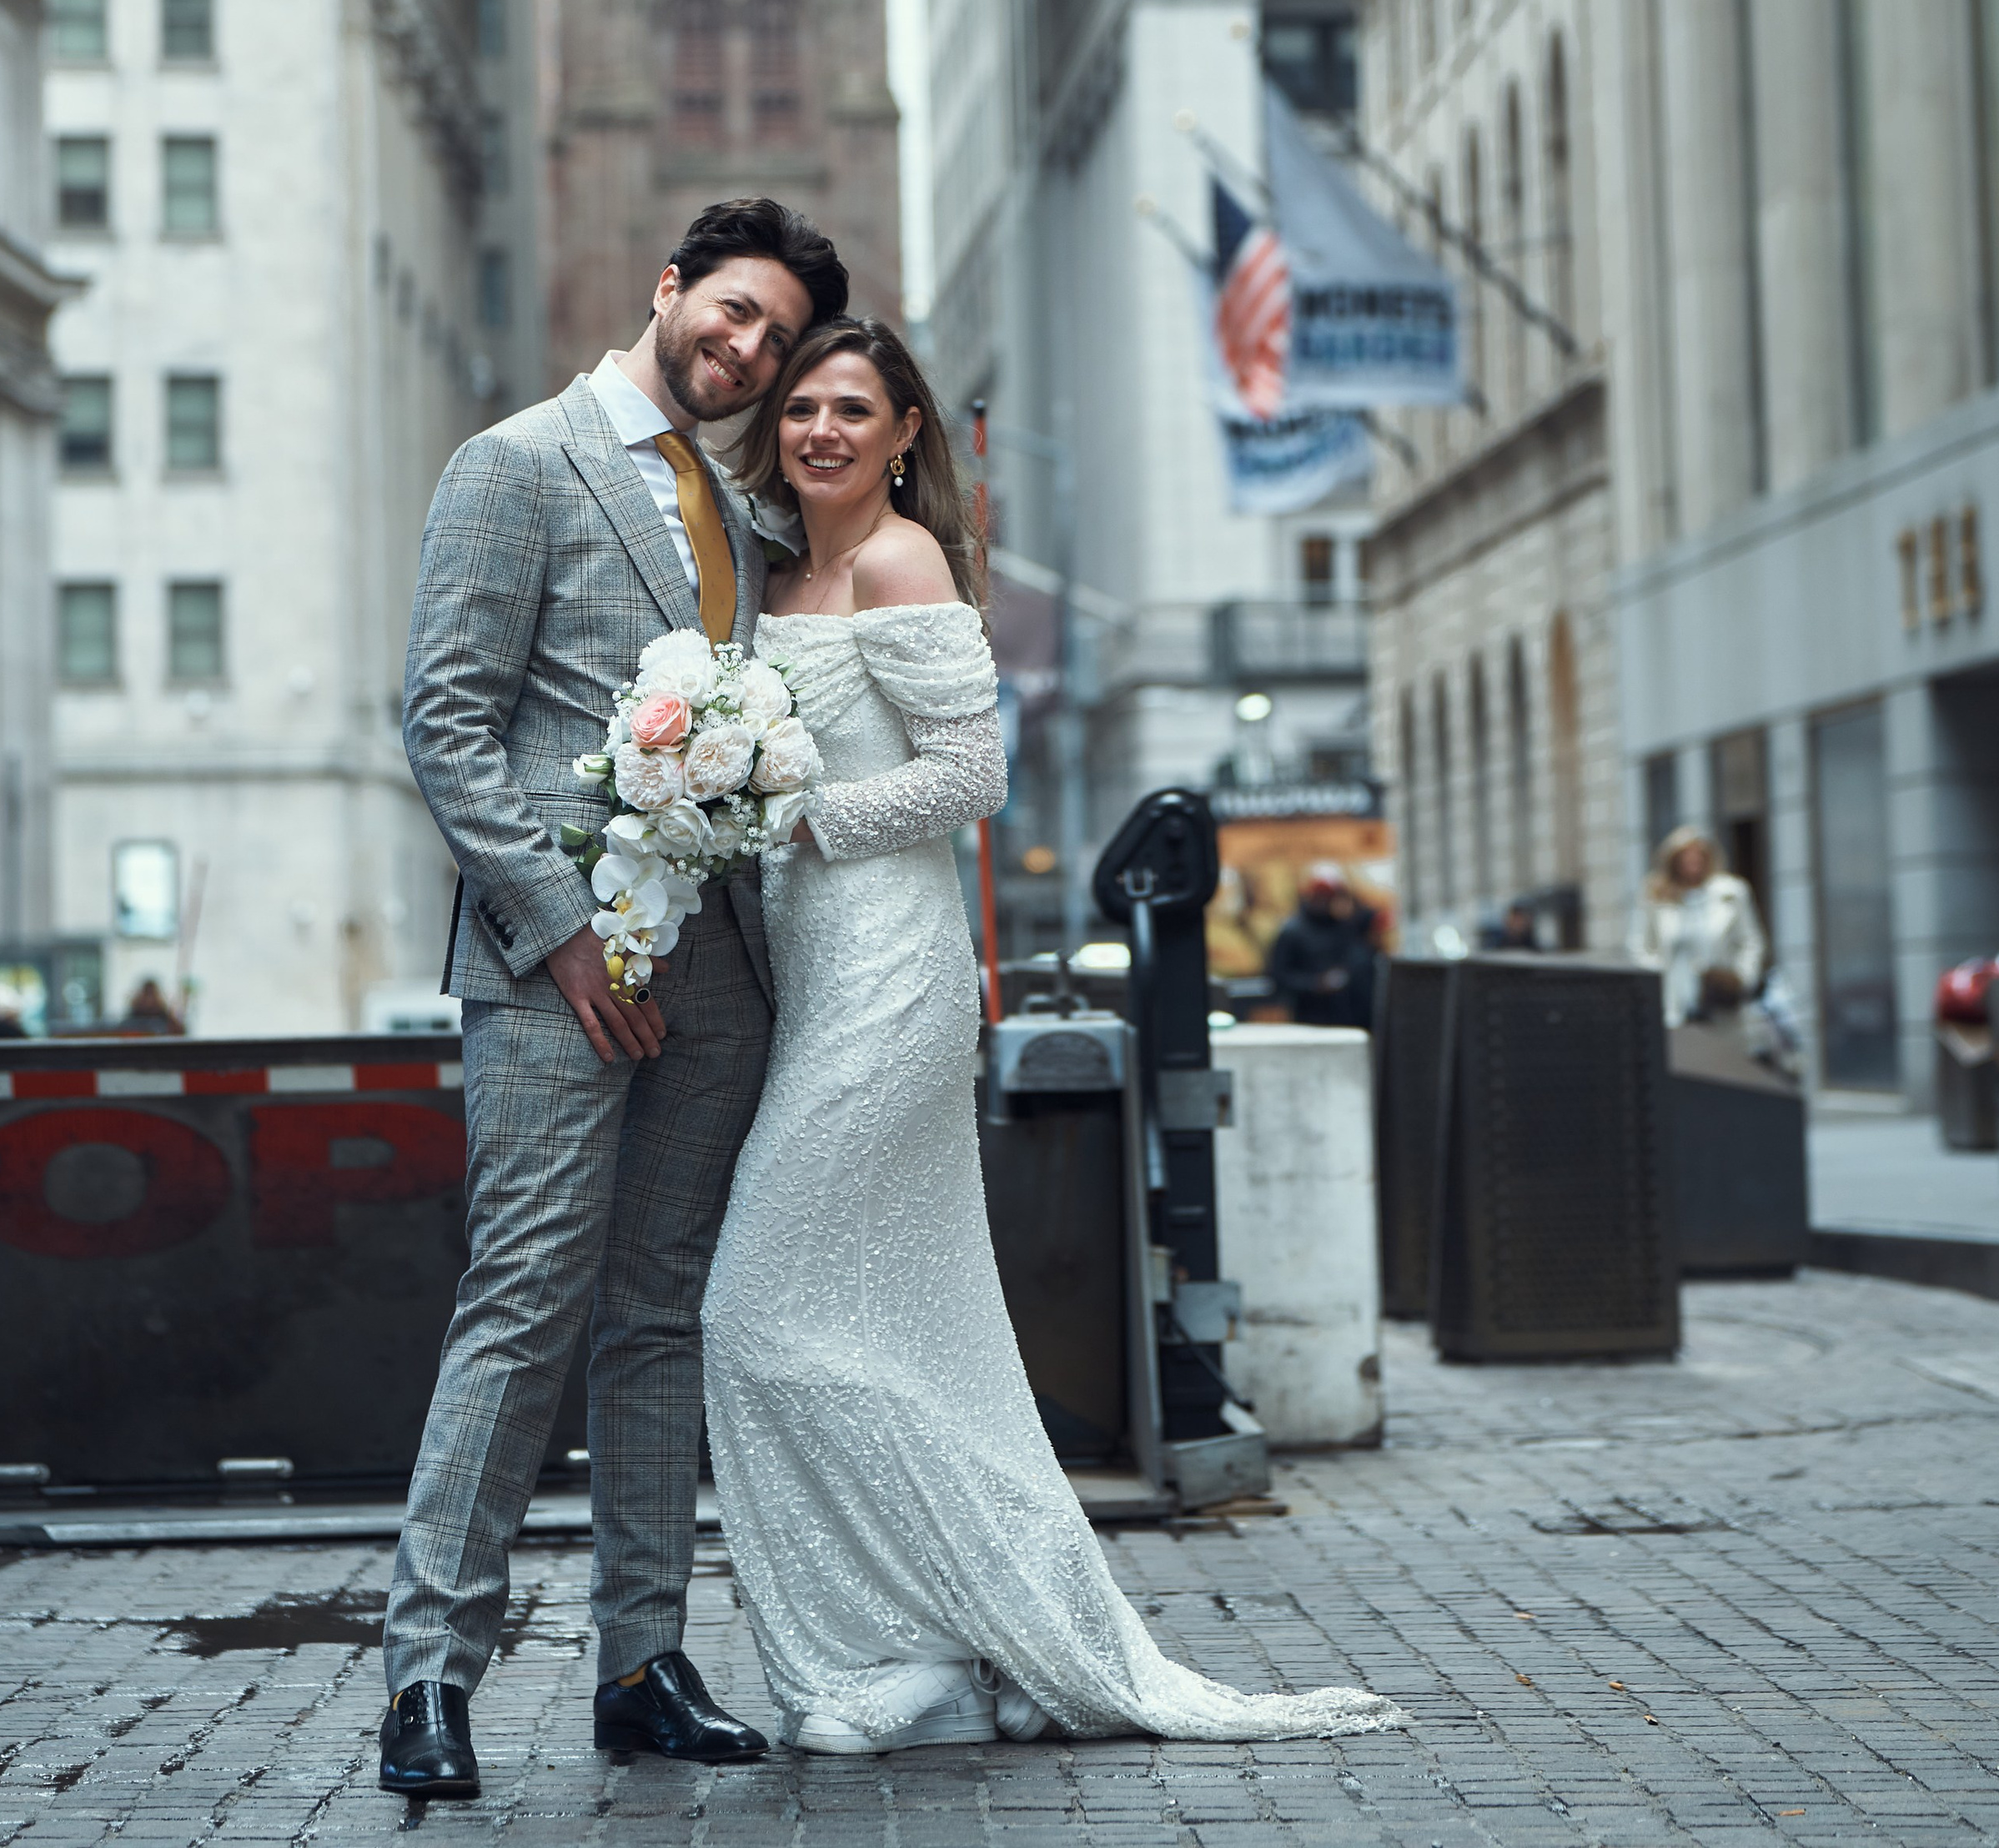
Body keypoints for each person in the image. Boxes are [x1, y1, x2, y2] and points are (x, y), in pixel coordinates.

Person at [701, 317, 1399, 1755]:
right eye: (801, 409)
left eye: (852, 408)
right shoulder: (774, 573)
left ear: (904, 433)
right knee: (894, 1321)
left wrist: (800, 811)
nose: (821, 430)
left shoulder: (901, 560)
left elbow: (973, 772)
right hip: (805, 975)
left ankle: (971, 1618)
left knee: (752, 1314)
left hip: (892, 975)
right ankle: (929, 1650)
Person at [377, 198, 847, 1802]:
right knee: (522, 1303)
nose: (745, 347)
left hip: (718, 975)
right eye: (731, 312)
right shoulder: (517, 461)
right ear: (669, 289)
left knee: (658, 1318)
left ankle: (642, 1660)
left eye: (775, 337)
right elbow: (447, 719)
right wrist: (565, 926)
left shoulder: (750, 500)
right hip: (552, 974)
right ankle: (428, 1671)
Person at [1627, 825, 1767, 1029]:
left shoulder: (1731, 893)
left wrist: (1742, 978)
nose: (1692, 863)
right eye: (1686, 857)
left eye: (1697, 856)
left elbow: (1751, 942)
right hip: (1674, 1000)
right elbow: (1639, 946)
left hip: (1720, 1000)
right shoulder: (1656, 895)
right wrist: (1657, 978)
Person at [1267, 866, 1379, 1028]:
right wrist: (1316, 984)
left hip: (1346, 1019)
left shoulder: (1343, 926)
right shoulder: (1292, 932)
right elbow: (1279, 978)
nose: (1323, 900)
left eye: (1329, 895)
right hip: (1309, 1020)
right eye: (1319, 894)